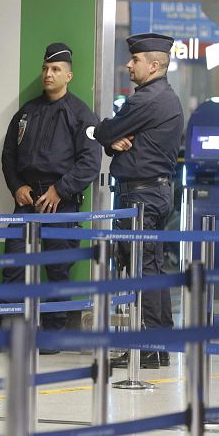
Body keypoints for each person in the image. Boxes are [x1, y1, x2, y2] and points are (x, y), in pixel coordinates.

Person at [90, 33, 182, 369]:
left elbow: (106, 130)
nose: (129, 65)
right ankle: (158, 345)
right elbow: (112, 137)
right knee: (151, 266)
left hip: (140, 195)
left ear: (154, 65)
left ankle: (148, 346)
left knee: (142, 267)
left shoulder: (147, 99)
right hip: (154, 191)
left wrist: (108, 136)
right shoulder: (165, 97)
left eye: (136, 60)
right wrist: (113, 141)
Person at [0, 42, 101, 342]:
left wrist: (60, 190)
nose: (48, 74)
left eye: (56, 69)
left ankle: (53, 333)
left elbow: (90, 163)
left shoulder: (81, 115)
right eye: (45, 68)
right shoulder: (27, 112)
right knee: (14, 265)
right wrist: (17, 186)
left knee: (57, 270)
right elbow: (8, 155)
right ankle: (7, 329)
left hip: (60, 204)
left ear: (69, 76)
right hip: (27, 201)